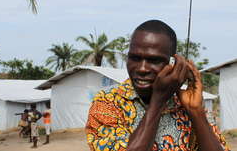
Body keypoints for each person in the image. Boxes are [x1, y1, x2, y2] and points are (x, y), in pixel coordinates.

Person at [86, 20, 230, 151]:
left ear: (173, 63)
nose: (142, 68)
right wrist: (158, 101)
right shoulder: (107, 102)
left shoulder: (189, 104)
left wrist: (196, 112)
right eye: (135, 58)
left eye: (154, 60)